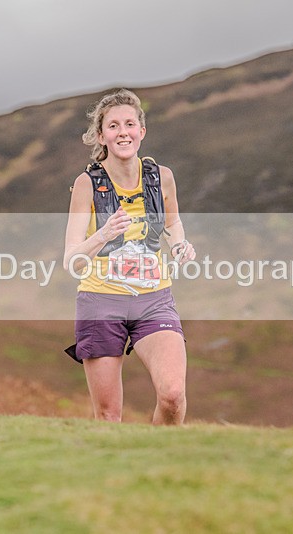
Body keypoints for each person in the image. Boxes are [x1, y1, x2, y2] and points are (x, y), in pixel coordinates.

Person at [63, 89, 195, 425]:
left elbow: (173, 221)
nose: (123, 131)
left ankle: (162, 468)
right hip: (100, 301)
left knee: (173, 396)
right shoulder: (86, 184)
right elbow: (72, 259)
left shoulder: (161, 177)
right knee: (109, 416)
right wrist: (104, 234)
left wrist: (179, 244)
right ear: (101, 136)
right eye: (113, 126)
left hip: (154, 300)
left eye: (130, 124)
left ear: (142, 131)